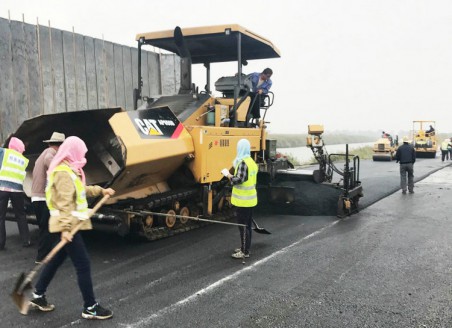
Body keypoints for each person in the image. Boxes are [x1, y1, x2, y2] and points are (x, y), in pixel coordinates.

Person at [30, 136, 115, 320]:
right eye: (81, 152)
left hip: (70, 225)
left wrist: (101, 191)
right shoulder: (63, 172)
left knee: (55, 260)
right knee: (83, 264)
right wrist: (66, 229)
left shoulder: (70, 170)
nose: (83, 155)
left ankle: (38, 295)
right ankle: (90, 307)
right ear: (73, 151)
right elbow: (65, 202)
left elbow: (81, 190)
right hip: (68, 226)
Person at [31, 132, 65, 263]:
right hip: (43, 198)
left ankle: (50, 253)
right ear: (60, 145)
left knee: (47, 227)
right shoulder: (50, 154)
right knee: (47, 228)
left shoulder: (42, 154)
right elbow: (52, 165)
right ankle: (42, 257)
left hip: (36, 197)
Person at [221, 139, 258, 259]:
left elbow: (237, 180)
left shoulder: (243, 163)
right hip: (250, 199)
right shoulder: (251, 162)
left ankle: (244, 252)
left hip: (243, 201)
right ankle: (245, 247)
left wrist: (227, 174)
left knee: (243, 227)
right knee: (247, 226)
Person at [0, 137, 31, 250]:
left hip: (2, 189)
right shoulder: (24, 160)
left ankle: (1, 243)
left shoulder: (4, 152)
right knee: (21, 215)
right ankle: (26, 240)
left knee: (1, 216)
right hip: (17, 190)